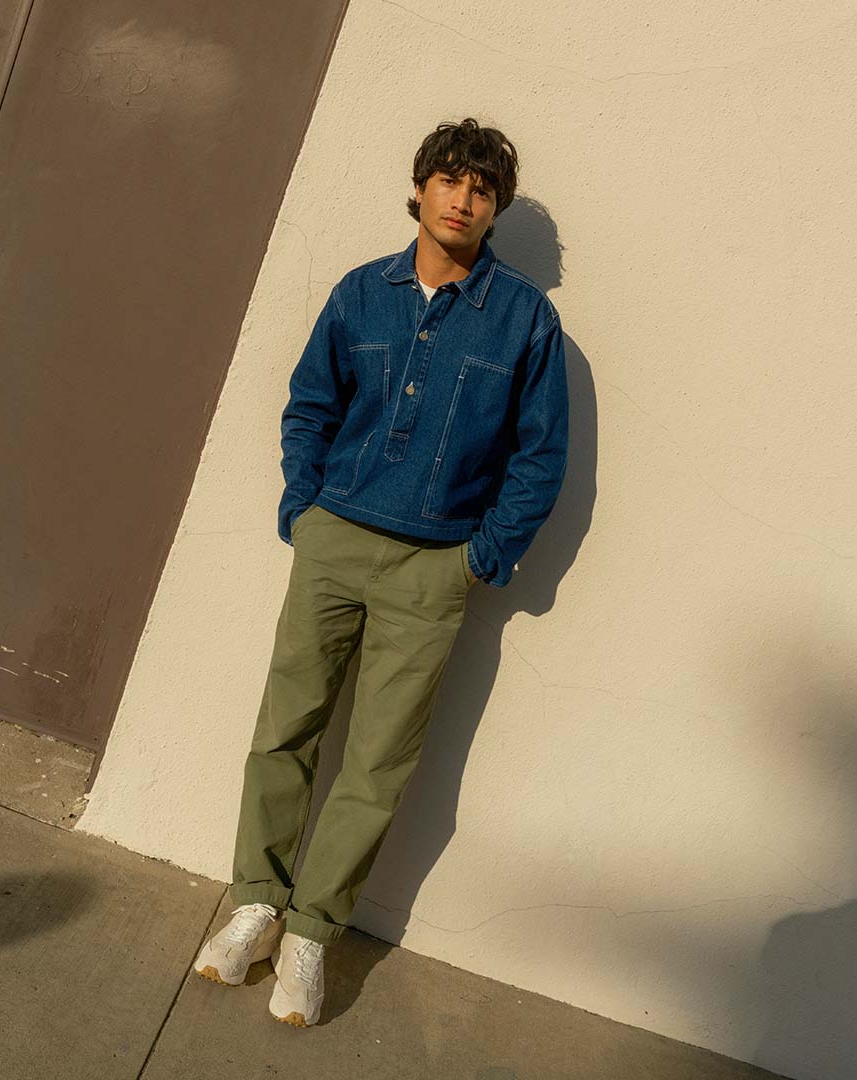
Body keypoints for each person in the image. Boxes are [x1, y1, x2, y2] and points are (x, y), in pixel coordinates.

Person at [192, 117, 569, 1026]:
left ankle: (313, 933)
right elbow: (311, 404)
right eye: (451, 179)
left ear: (495, 208)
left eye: (482, 189)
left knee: (379, 760)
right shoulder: (362, 293)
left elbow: (539, 455)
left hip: (434, 568)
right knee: (288, 726)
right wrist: (303, 507)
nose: (464, 198)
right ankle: (254, 904)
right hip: (335, 543)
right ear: (421, 188)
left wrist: (476, 558)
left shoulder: (524, 318)